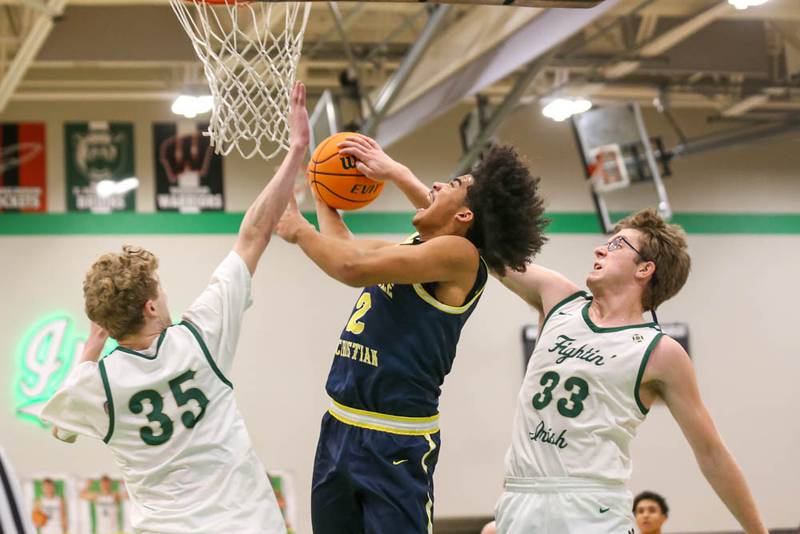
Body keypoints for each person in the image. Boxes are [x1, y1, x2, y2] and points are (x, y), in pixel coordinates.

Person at [39, 82, 310, 533]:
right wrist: (296, 148)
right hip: (246, 524)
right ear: (149, 307)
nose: (166, 294)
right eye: (159, 289)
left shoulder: (98, 384)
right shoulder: (199, 338)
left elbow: (61, 430)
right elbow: (253, 235)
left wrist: (92, 345)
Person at [276, 135, 548, 534]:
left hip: (394, 442)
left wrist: (299, 230)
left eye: (450, 186)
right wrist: (321, 186)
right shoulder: (419, 248)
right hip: (340, 424)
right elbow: (345, 248)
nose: (434, 186)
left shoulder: (460, 257)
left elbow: (351, 268)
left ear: (464, 218)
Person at [492, 209, 767, 533]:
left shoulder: (659, 351)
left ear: (645, 268)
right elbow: (483, 247)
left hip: (591, 506)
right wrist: (421, 189)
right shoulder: (560, 300)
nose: (599, 250)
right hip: (519, 498)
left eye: (617, 245)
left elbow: (711, 454)